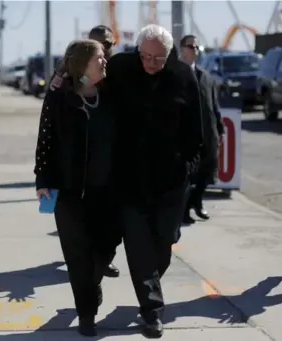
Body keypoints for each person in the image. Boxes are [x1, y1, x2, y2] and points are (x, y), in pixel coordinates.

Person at [106, 25, 203, 338]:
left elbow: (196, 129)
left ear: (169, 54)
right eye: (145, 56)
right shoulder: (120, 68)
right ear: (137, 51)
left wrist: (190, 164)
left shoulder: (183, 76)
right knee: (138, 247)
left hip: (171, 181)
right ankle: (152, 311)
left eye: (157, 59)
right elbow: (88, 83)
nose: (150, 64)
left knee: (163, 244)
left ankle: (150, 288)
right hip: (128, 180)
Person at [34, 39, 117, 337]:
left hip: (107, 193)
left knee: (105, 249)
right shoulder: (58, 98)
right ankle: (86, 315)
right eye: (99, 57)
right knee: (77, 256)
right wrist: (42, 180)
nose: (105, 61)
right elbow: (45, 141)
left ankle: (91, 286)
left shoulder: (111, 95)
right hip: (70, 193)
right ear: (83, 63)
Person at [50, 24, 121, 279]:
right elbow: (54, 114)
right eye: (100, 44)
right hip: (77, 173)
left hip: (107, 169)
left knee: (110, 231)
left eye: (109, 45)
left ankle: (100, 262)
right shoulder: (72, 78)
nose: (106, 49)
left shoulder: (117, 71)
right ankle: (88, 279)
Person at [180, 35, 224, 224]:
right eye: (191, 46)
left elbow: (213, 104)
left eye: (197, 46)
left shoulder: (205, 75)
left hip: (209, 132)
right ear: (182, 49)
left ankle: (197, 202)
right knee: (189, 176)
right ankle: (184, 211)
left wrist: (219, 127)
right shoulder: (176, 73)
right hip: (188, 134)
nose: (195, 49)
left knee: (208, 172)